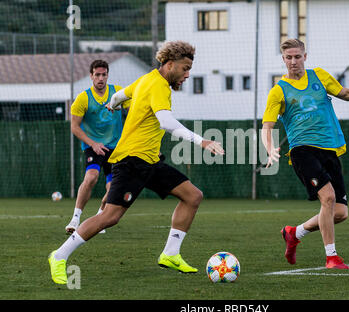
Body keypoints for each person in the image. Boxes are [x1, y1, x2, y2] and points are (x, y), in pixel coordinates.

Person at [48, 41, 224, 284]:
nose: (187, 74)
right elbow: (166, 122)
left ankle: (171, 253)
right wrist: (202, 141)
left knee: (193, 196)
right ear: (170, 65)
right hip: (132, 160)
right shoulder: (159, 85)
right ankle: (59, 256)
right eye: (184, 68)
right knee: (109, 216)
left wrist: (112, 104)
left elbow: (121, 95)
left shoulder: (146, 79)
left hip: (149, 160)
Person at [261, 39, 349, 269]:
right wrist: (270, 148)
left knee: (340, 213)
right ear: (283, 60)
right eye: (288, 57)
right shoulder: (278, 91)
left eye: (297, 56)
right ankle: (332, 257)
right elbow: (267, 127)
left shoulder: (319, 76)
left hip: (329, 149)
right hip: (302, 150)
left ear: (305, 57)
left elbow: (347, 94)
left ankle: (294, 233)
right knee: (327, 198)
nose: (293, 61)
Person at [65, 60, 130, 234]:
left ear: (107, 75)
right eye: (97, 75)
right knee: (91, 177)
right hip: (92, 146)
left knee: (113, 189)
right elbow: (74, 126)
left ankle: (99, 216)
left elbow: (133, 110)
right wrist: (93, 143)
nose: (101, 78)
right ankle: (75, 218)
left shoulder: (118, 92)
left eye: (104, 75)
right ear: (91, 76)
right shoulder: (83, 98)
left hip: (116, 146)